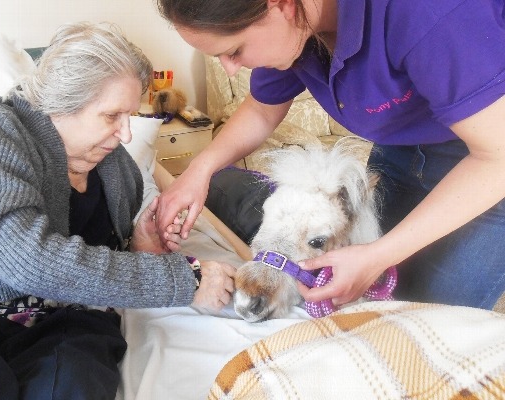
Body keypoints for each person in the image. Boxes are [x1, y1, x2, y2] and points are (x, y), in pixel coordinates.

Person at [0, 22, 235, 399]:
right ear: (62, 101)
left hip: (69, 321)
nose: (126, 134)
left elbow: (96, 266)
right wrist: (182, 279)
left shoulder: (120, 170)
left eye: (131, 116)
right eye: (112, 116)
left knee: (72, 382)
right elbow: (26, 259)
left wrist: (139, 247)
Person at [154, 0, 505, 311]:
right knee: (381, 297)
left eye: (234, 51)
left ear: (282, 4)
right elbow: (262, 110)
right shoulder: (301, 27)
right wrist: (199, 170)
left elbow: (497, 157)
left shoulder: (432, 12)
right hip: (406, 145)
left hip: (493, 159)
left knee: (430, 313)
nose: (231, 69)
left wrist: (379, 255)